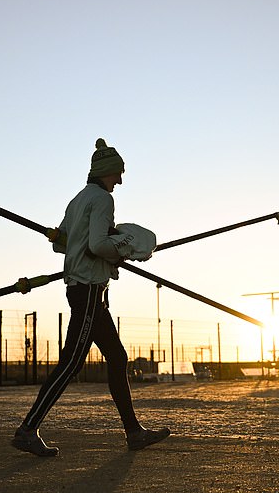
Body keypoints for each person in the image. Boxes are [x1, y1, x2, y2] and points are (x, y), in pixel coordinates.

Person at [11, 138, 170, 457]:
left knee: (118, 358)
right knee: (71, 362)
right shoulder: (102, 200)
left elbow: (61, 245)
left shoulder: (78, 200)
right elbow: (98, 245)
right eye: (118, 174)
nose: (120, 181)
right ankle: (27, 430)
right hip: (87, 290)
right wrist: (121, 250)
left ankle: (134, 432)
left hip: (91, 291)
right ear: (107, 172)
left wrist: (75, 240)